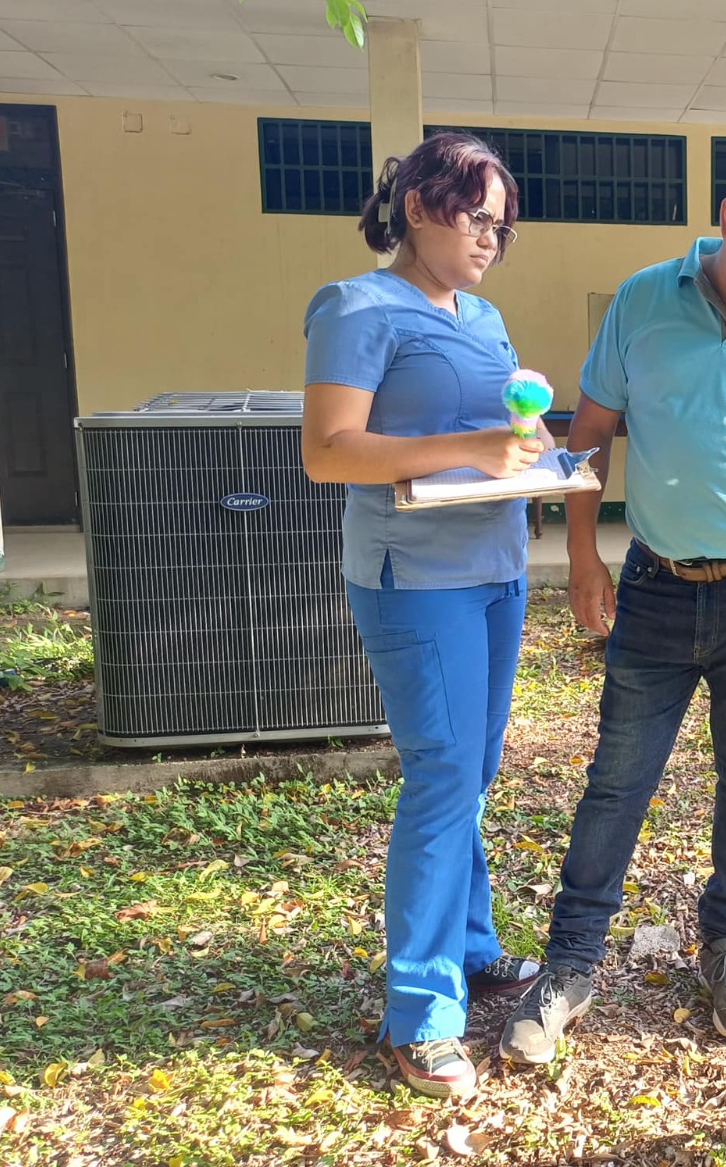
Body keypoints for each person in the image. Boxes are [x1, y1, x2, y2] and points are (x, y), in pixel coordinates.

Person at [500, 140, 726, 1065]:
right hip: (657, 587)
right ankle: (571, 962)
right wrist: (583, 558)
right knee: (618, 778)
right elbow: (588, 440)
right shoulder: (642, 302)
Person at [301, 131, 546, 1100]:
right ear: (416, 207)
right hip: (416, 578)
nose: (491, 237)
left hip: (494, 566)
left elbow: (499, 439)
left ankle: (472, 945)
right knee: (442, 775)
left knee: (473, 770)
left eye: (503, 225)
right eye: (476, 217)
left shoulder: (482, 318)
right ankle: (421, 1013)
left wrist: (535, 459)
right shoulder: (357, 306)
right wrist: (470, 445)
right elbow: (329, 451)